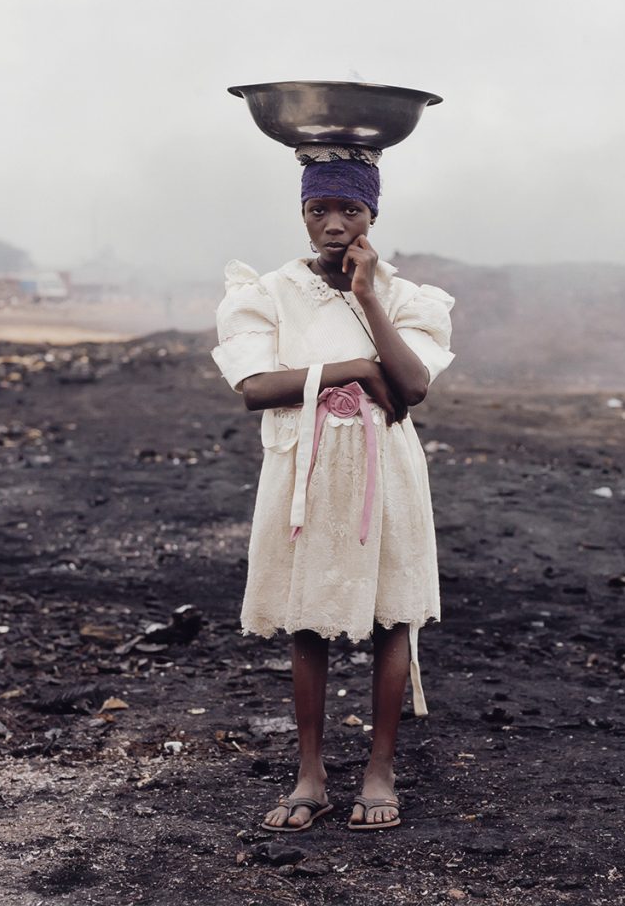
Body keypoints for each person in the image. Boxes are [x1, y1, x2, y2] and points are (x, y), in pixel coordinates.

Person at [211, 143, 454, 831]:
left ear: (371, 213)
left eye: (350, 209)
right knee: (305, 616)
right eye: (319, 210)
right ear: (302, 214)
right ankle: (310, 772)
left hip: (388, 470)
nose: (334, 225)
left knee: (390, 614)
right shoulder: (267, 294)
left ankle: (379, 769)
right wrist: (354, 369)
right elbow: (256, 387)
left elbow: (408, 386)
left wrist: (367, 297)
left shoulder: (408, 297)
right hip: (303, 469)